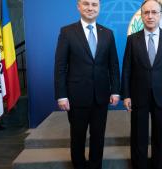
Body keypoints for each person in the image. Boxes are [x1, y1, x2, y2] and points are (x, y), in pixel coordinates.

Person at [54, 0, 120, 168]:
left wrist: (115, 91)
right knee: (78, 137)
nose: (90, 8)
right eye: (86, 4)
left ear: (99, 8)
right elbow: (60, 67)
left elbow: (113, 65)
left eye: (94, 4)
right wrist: (61, 95)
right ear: (78, 6)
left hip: (101, 96)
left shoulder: (108, 33)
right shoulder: (67, 32)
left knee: (98, 136)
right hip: (76, 96)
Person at [121, 0, 162, 168]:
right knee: (138, 136)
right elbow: (126, 69)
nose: (150, 16)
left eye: (154, 12)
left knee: (160, 136)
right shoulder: (132, 40)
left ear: (160, 15)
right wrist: (125, 94)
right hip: (138, 96)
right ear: (141, 15)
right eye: (146, 12)